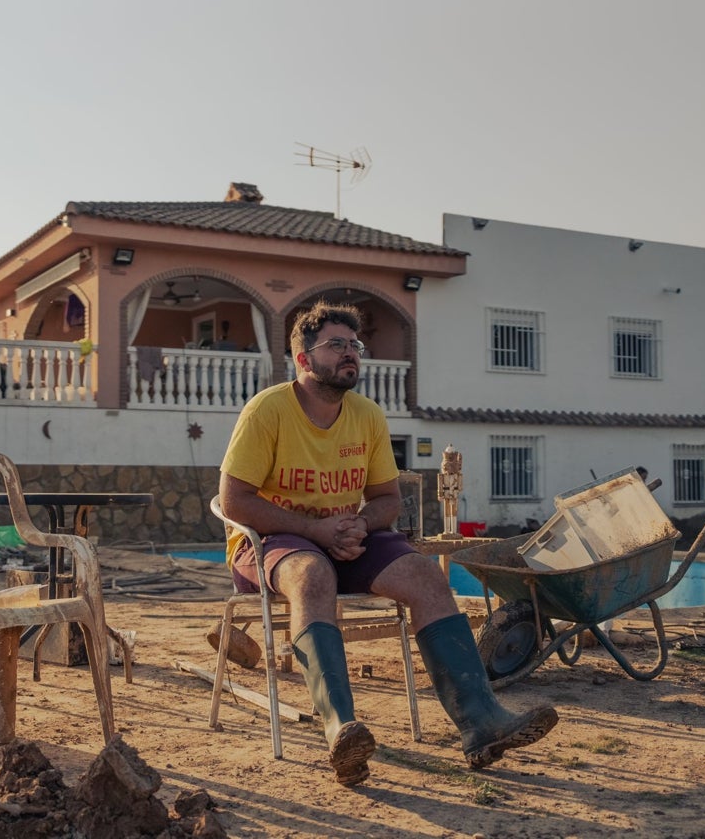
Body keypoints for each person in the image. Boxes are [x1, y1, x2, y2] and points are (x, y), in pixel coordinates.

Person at [218, 299, 557, 786]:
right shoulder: (268, 410)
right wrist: (315, 530)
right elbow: (233, 500)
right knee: (312, 575)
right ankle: (341, 731)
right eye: (336, 345)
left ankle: (483, 725)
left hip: (343, 539)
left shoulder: (368, 415)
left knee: (423, 573)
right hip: (269, 540)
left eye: (354, 345)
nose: (350, 353)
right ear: (304, 359)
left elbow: (385, 500)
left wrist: (359, 524)